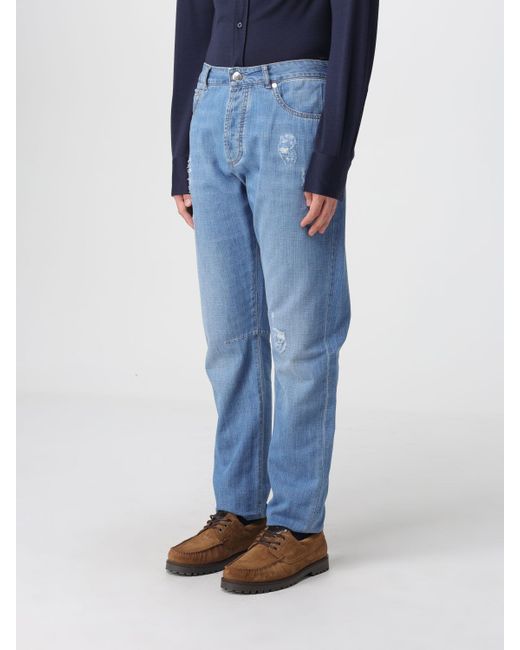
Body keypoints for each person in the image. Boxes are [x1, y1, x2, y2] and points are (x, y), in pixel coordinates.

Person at [166, 0, 379, 594]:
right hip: (211, 102)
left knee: (300, 336)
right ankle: (240, 511)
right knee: (229, 337)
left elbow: (355, 24)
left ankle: (299, 526)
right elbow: (193, 17)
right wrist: (182, 152)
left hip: (295, 104)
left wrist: (331, 158)